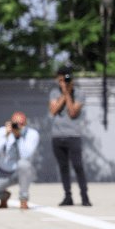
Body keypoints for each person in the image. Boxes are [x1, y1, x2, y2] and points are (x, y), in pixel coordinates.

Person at [50, 66, 91, 206]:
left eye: (65, 79)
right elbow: (54, 110)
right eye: (60, 80)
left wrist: (68, 93)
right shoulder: (54, 92)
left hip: (73, 136)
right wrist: (63, 93)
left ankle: (84, 196)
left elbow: (72, 112)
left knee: (78, 166)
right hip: (57, 136)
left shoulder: (79, 93)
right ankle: (68, 196)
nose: (62, 82)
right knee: (63, 167)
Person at [0, 112, 39, 209]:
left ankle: (23, 200)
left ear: (26, 124)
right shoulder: (1, 132)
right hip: (3, 172)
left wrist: (19, 137)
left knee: (23, 164)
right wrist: (7, 136)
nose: (18, 126)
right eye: (15, 123)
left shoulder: (32, 134)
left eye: (21, 124)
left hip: (21, 172)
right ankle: (4, 196)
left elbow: (26, 155)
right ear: (10, 123)